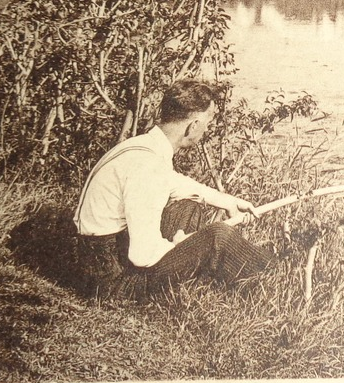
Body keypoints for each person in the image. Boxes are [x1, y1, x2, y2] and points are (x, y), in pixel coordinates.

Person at [74, 79, 270, 299]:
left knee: (188, 207)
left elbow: (174, 182)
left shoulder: (144, 146)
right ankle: (272, 281)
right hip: (110, 283)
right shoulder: (148, 166)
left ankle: (257, 276)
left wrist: (228, 201)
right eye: (207, 122)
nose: (206, 129)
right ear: (193, 125)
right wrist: (180, 245)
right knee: (219, 236)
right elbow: (143, 254)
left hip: (101, 258)